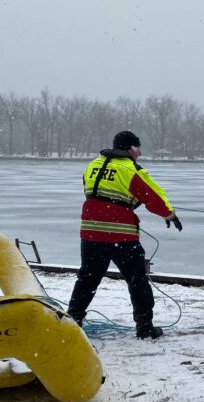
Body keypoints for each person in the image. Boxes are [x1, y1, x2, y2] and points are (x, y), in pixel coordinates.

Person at [67, 130, 182, 339]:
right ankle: (145, 327)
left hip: (91, 231)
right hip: (121, 235)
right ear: (130, 149)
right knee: (137, 280)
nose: (140, 153)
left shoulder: (92, 165)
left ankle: (72, 322)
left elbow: (93, 191)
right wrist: (169, 215)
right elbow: (152, 197)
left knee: (87, 279)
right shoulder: (130, 169)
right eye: (138, 149)